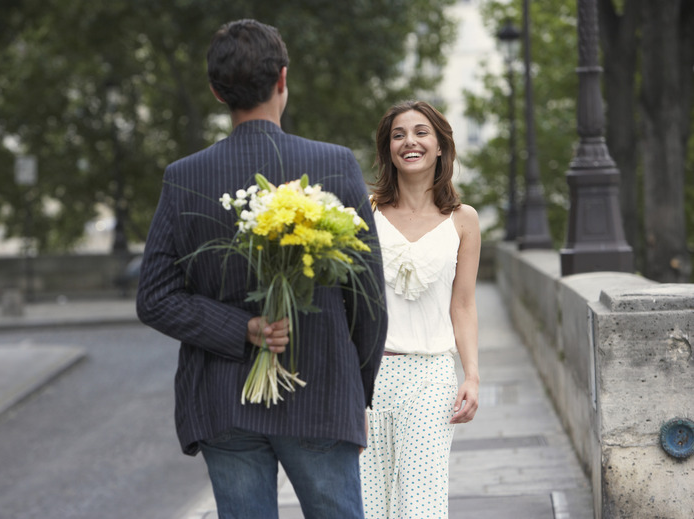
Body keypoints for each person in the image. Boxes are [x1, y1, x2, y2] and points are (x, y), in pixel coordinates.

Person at [135, 19, 388, 519]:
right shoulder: (335, 165)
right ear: (283, 79)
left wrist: (242, 328)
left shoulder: (183, 178)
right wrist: (357, 393)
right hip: (322, 394)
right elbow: (369, 299)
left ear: (215, 91)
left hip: (224, 403)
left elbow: (155, 297)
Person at [360, 100, 480, 518]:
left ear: (441, 146)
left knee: (419, 504)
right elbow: (348, 303)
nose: (409, 141)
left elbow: (463, 303)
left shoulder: (463, 220)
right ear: (387, 149)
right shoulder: (363, 213)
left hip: (431, 377)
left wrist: (473, 376)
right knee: (370, 504)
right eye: (398, 134)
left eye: (420, 132)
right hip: (368, 378)